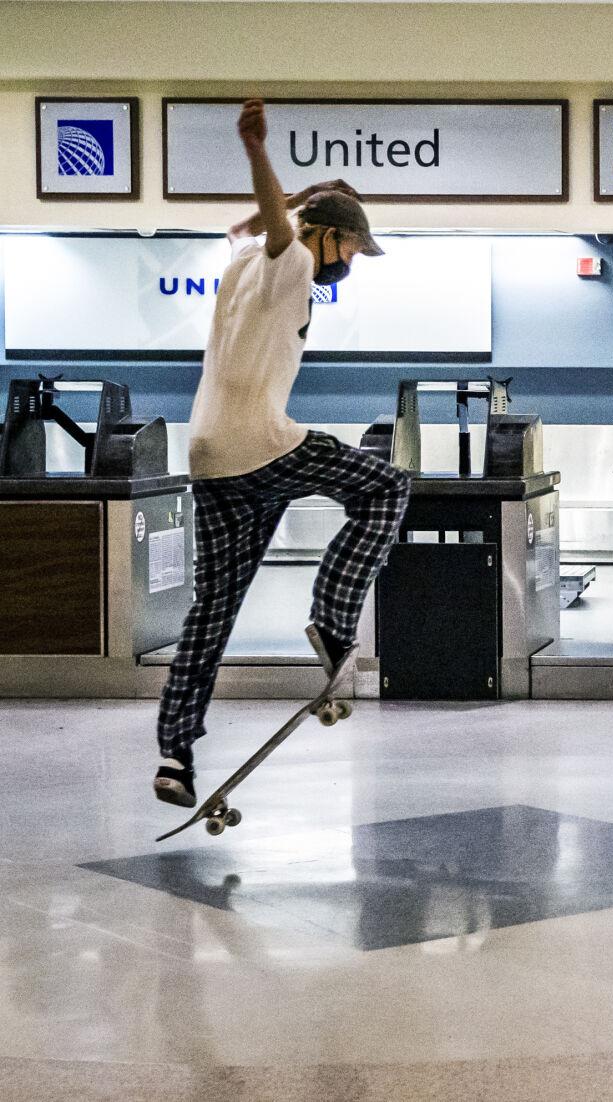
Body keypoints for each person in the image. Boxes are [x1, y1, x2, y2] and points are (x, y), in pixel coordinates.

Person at [153, 99, 411, 808]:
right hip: (263, 444)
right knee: (385, 488)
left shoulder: (242, 259)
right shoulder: (290, 260)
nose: (351, 265)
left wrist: (314, 195)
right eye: (353, 251)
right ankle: (332, 621)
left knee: (213, 609)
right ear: (326, 239)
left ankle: (175, 756)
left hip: (209, 455)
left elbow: (250, 225)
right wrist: (259, 151)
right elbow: (274, 227)